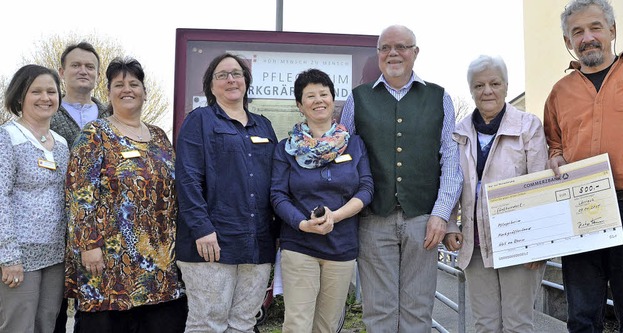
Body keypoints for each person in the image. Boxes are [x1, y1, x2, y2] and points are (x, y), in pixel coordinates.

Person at [340, 24, 463, 332]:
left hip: (424, 221)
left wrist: (441, 214)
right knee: (378, 312)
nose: (393, 53)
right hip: (372, 219)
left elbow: (451, 160)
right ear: (378, 54)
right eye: (385, 48)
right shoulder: (358, 99)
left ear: (415, 52)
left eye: (401, 47)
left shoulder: (439, 98)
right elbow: (344, 158)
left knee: (418, 312)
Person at [65, 57, 187, 333]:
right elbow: (79, 193)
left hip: (159, 264)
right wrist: (88, 246)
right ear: (108, 93)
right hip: (107, 264)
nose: (127, 89)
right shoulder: (94, 134)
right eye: (118, 84)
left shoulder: (159, 137)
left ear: (145, 92)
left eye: (134, 83)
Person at [544, 0, 623, 331]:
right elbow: (554, 142)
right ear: (568, 42)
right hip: (579, 209)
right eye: (577, 32)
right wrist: (555, 155)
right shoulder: (559, 92)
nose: (588, 37)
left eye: (595, 27)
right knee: (582, 314)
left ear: (612, 31)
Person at [175, 53, 278, 333]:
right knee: (208, 324)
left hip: (257, 243)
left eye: (237, 73)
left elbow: (276, 182)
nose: (231, 79)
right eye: (222, 75)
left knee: (244, 324)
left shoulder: (264, 125)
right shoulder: (199, 121)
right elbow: (187, 178)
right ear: (211, 85)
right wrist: (201, 228)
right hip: (211, 242)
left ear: (246, 81)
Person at [443, 55, 547, 333]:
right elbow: (450, 182)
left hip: (518, 240)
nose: (487, 91)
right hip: (474, 243)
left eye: (494, 83)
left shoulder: (528, 126)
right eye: (478, 86)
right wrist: (451, 223)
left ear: (506, 86)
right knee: (485, 325)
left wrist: (539, 243)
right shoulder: (459, 132)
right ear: (471, 90)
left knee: (517, 324)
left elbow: (540, 185)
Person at [271, 69, 374, 333]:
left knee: (327, 326)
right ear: (299, 105)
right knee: (297, 324)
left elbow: (366, 188)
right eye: (310, 95)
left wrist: (335, 216)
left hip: (341, 249)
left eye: (323, 94)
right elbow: (278, 195)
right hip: (299, 245)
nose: (318, 100)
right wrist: (303, 223)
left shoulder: (354, 145)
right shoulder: (286, 149)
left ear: (333, 99)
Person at [0, 64, 68, 333]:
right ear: (20, 97)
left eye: (51, 91)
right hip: (19, 255)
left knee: (46, 325)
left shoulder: (62, 144)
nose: (45, 97)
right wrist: (8, 256)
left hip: (54, 255)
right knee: (18, 326)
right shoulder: (7, 138)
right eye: (36, 91)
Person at [51, 41, 110, 333]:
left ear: (98, 75)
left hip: (99, 232)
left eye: (90, 67)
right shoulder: (45, 113)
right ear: (62, 71)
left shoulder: (112, 117)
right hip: (54, 227)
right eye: (76, 65)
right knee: (54, 311)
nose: (83, 71)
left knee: (96, 311)